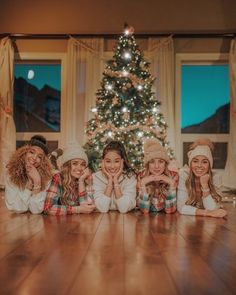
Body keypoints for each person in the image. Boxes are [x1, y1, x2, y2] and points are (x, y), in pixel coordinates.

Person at [177, 138, 227, 218]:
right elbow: (181, 207)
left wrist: (205, 186)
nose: (199, 165)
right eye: (195, 161)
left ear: (209, 165)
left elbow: (213, 208)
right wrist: (207, 213)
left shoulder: (215, 177)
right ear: (190, 163)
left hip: (207, 223)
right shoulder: (184, 175)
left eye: (204, 162)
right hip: (189, 221)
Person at [43, 142, 95, 215]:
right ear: (67, 166)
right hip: (61, 223)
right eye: (75, 163)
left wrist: (81, 181)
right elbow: (48, 208)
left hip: (82, 222)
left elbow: (89, 207)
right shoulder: (58, 178)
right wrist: (76, 209)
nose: (80, 168)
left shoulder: (86, 177)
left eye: (83, 164)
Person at [5, 135, 52, 214]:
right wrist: (29, 184)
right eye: (31, 152)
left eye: (39, 157)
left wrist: (37, 181)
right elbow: (16, 209)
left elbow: (36, 210)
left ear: (43, 161)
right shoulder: (11, 173)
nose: (34, 158)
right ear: (24, 152)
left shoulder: (47, 178)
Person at [93, 141, 137, 213]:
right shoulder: (96, 177)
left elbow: (124, 208)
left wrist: (115, 181)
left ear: (122, 162)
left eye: (116, 161)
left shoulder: (130, 178)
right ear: (103, 162)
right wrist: (110, 182)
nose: (112, 166)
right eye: (108, 161)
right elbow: (102, 208)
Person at [137, 138, 178, 214]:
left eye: (161, 161)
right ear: (147, 164)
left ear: (165, 163)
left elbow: (170, 210)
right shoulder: (141, 177)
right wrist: (143, 184)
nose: (156, 166)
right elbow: (144, 210)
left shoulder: (173, 176)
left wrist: (171, 184)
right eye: (152, 162)